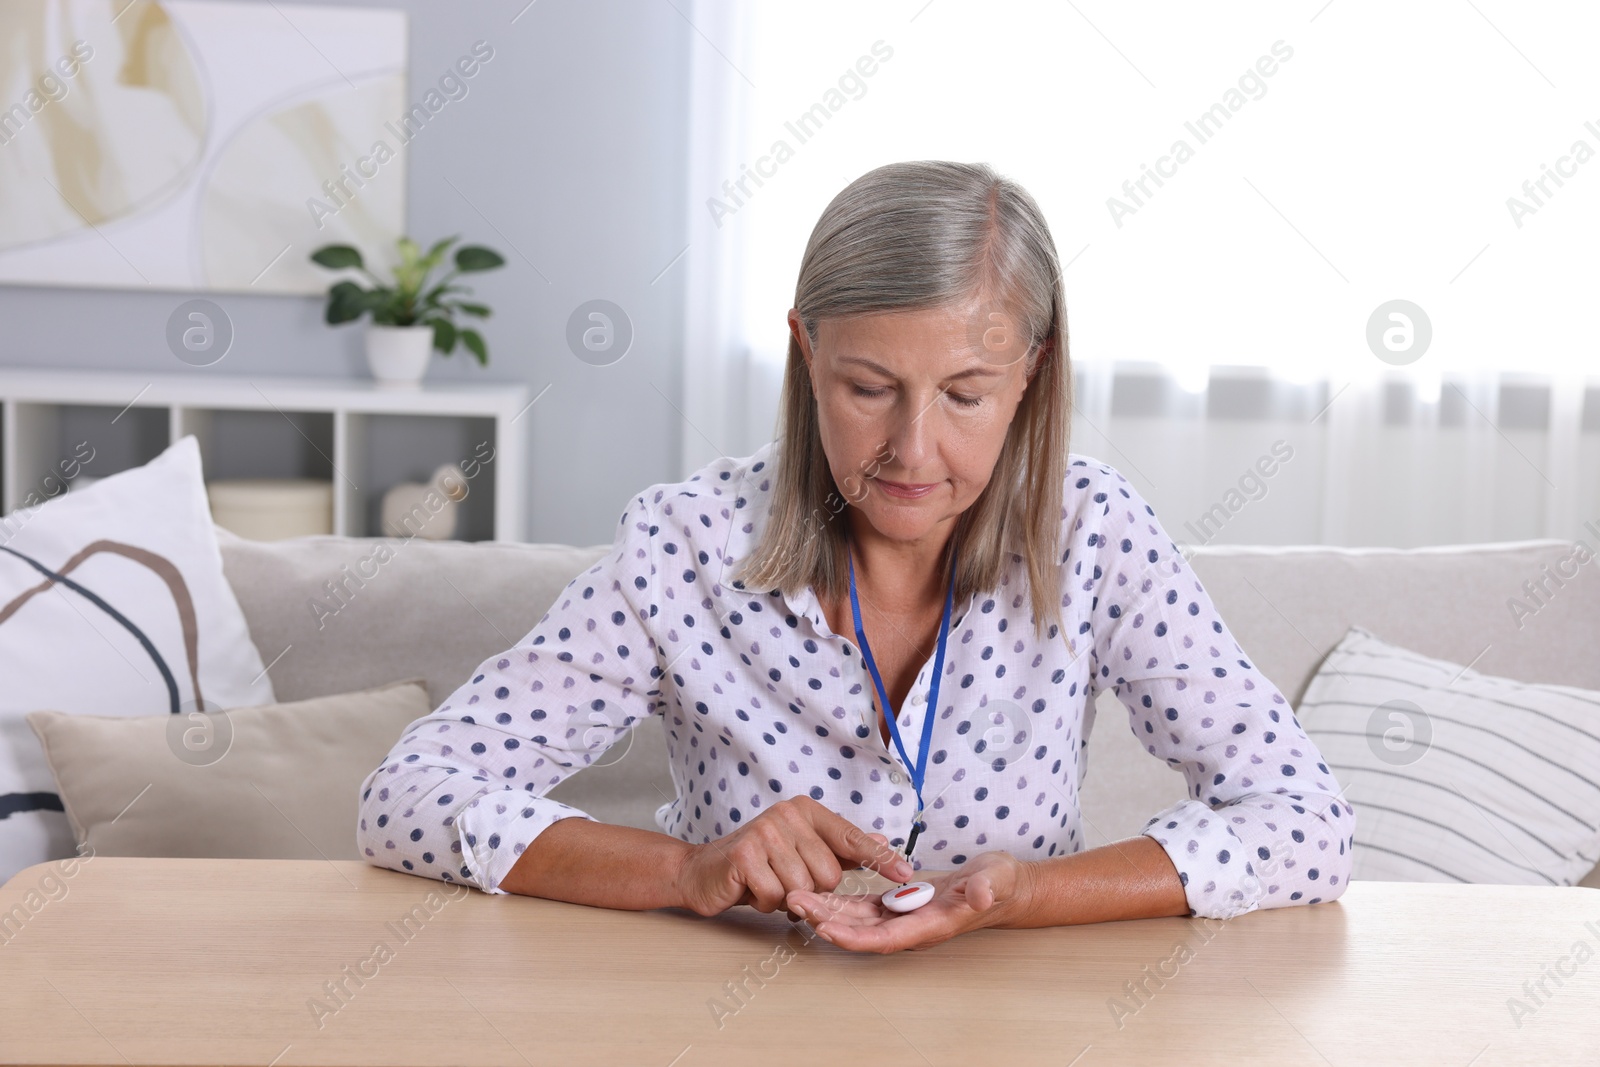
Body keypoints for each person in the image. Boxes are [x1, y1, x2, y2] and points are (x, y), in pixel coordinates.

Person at [357, 160, 1355, 954]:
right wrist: (687, 868)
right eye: (869, 387)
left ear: (1029, 375)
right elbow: (408, 796)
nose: (913, 450)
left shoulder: (1093, 531)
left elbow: (1304, 821)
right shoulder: (687, 545)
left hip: (1015, 1019)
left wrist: (1023, 895)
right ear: (805, 354)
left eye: (964, 393)